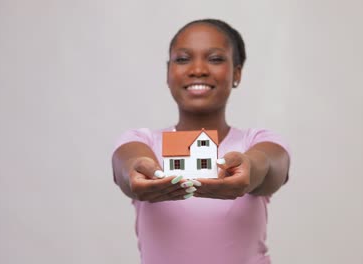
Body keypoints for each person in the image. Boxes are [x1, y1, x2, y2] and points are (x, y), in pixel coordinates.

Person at [112, 18, 290, 264]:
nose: (198, 69)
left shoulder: (258, 141)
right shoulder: (142, 141)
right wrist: (136, 171)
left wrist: (249, 168)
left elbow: (269, 164)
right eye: (183, 59)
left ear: (237, 73)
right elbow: (127, 166)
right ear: (168, 72)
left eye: (215, 59)